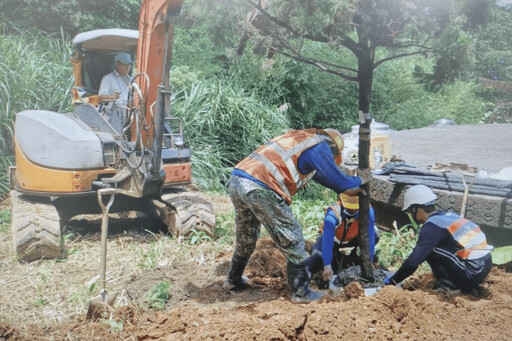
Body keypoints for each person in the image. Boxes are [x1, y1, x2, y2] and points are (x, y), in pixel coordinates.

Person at [225, 128, 372, 303]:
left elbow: (323, 177)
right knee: (293, 237)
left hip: (238, 179)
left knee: (246, 236)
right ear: (332, 146)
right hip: (261, 186)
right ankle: (300, 292)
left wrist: (343, 184)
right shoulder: (319, 146)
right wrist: (360, 181)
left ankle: (233, 280)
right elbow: (338, 181)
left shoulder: (300, 140)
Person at [384, 185, 493, 294]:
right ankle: (463, 285)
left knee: (430, 250)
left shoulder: (432, 227)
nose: (411, 215)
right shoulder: (446, 216)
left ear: (415, 209)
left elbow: (413, 262)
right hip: (484, 264)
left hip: (472, 271)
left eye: (410, 212)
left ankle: (451, 286)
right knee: (432, 247)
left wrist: (393, 281)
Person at [308, 193, 379, 289]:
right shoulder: (333, 213)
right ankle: (304, 281)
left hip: (353, 239)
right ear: (341, 201)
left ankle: (354, 259)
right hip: (333, 240)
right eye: (349, 208)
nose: (352, 210)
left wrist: (369, 260)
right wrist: (327, 265)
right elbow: (327, 241)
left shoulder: (367, 210)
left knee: (375, 234)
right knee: (317, 256)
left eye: (355, 208)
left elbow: (370, 236)